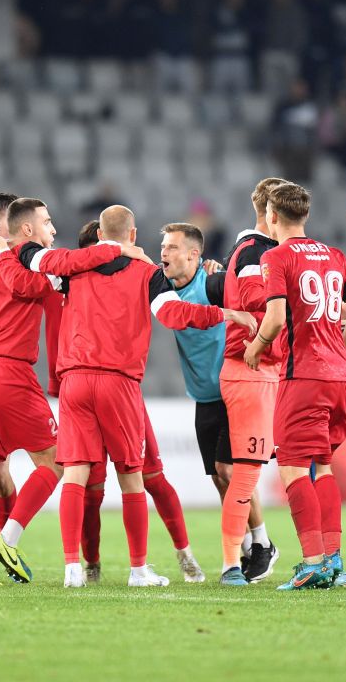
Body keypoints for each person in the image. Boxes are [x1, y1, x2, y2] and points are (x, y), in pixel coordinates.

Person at [21, 204, 255, 588]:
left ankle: (72, 569)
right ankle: (138, 569)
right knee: (132, 477)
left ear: (99, 237)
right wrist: (225, 315)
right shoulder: (147, 275)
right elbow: (176, 315)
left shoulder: (72, 269)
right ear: (133, 236)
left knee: (76, 476)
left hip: (75, 381)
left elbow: (31, 257)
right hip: (118, 383)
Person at [0, 198, 141, 585]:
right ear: (27, 230)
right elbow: (67, 267)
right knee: (58, 461)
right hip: (7, 370)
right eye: (48, 223)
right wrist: (118, 248)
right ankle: (7, 538)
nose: (54, 230)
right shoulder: (26, 263)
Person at [243, 182, 346, 590]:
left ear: (273, 217)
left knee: (294, 467)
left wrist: (257, 346)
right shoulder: (333, 254)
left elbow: (276, 317)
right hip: (338, 374)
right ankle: (333, 562)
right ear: (305, 216)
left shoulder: (275, 256)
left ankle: (313, 561)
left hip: (303, 375)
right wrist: (339, 347)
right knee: (325, 465)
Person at [216, 177, 289, 586]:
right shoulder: (257, 255)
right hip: (253, 367)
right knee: (243, 473)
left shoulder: (246, 251)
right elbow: (265, 312)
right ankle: (233, 563)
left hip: (252, 370)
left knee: (236, 470)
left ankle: (257, 548)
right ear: (274, 215)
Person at [156, 222, 234, 584]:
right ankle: (251, 542)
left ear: (194, 255)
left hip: (232, 390)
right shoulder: (164, 288)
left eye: (172, 247)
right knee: (219, 479)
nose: (164, 253)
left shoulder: (214, 283)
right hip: (202, 395)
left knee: (232, 473)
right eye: (163, 247)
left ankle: (256, 543)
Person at [261, 0, 307, 98]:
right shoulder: (271, 9)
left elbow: (300, 33)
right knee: (271, 88)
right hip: (272, 52)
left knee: (290, 88)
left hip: (289, 53)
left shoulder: (296, 11)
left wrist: (294, 49)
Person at [208, 0, 253, 94]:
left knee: (242, 91)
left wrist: (239, 9)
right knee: (218, 91)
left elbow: (249, 28)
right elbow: (215, 28)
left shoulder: (245, 12)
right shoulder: (218, 11)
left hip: (239, 56)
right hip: (221, 56)